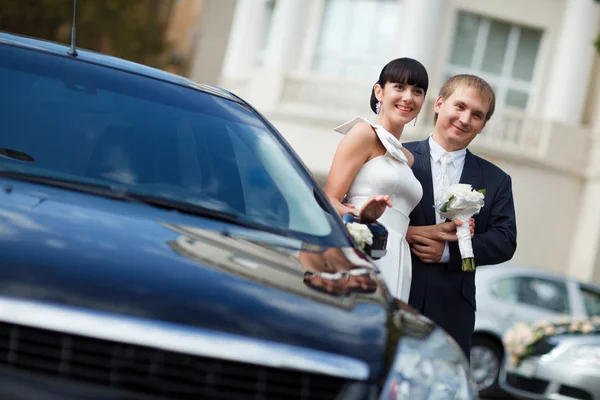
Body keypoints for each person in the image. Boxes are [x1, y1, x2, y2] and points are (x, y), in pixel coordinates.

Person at [324, 58, 464, 302]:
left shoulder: (408, 158)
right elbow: (329, 200)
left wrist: (440, 230)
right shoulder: (363, 134)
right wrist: (362, 213)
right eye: (399, 87)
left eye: (417, 91)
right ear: (379, 91)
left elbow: (398, 225)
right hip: (363, 250)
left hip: (398, 255)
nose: (409, 97)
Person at [404, 74, 517, 358]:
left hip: (453, 309)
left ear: (483, 125)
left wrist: (448, 254)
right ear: (439, 103)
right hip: (397, 289)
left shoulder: (496, 180)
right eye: (460, 107)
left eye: (477, 115)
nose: (465, 119)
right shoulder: (399, 157)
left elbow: (505, 242)